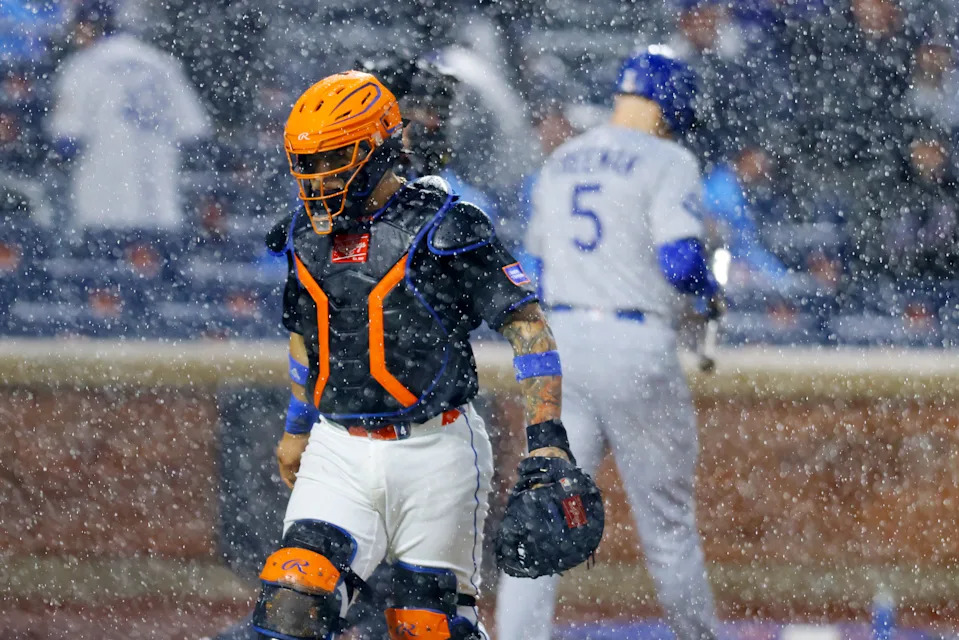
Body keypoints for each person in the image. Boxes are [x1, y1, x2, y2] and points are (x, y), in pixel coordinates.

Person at [251, 70, 592, 640]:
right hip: (339, 446)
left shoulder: (448, 225)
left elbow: (529, 329)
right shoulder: (302, 237)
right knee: (292, 602)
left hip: (438, 447)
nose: (313, 179)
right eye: (305, 163)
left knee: (427, 627)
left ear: (373, 149)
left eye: (329, 159)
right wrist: (296, 426)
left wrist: (547, 438)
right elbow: (306, 337)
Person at [496, 47, 722, 640]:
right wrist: (709, 287)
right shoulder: (669, 159)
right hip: (633, 341)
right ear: (668, 106)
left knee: (543, 517)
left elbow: (532, 272)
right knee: (668, 527)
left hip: (561, 343)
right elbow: (679, 263)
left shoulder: (562, 159)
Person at [45, 0, 209, 230]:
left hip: (104, 207)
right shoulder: (161, 64)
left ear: (89, 24)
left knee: (103, 264)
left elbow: (66, 138)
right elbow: (195, 134)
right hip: (161, 208)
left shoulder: (83, 67)